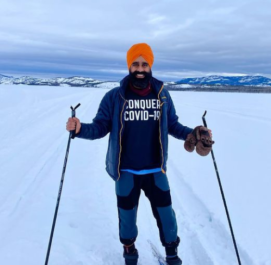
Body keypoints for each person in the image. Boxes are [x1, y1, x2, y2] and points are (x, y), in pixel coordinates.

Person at [66, 43, 214, 265]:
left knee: (167, 217)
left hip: (156, 169)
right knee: (126, 219)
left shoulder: (162, 95)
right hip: (125, 170)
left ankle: (172, 254)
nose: (140, 68)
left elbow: (172, 125)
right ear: (129, 66)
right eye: (135, 63)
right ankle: (129, 251)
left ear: (150, 65)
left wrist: (193, 133)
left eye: (144, 63)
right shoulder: (114, 97)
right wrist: (80, 129)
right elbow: (100, 126)